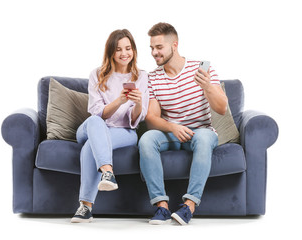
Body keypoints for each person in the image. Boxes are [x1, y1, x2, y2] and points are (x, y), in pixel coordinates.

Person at [138, 22, 228, 225]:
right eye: (152, 48)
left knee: (204, 138)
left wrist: (208, 87)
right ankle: (161, 207)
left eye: (159, 47)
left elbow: (221, 108)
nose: (154, 52)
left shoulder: (201, 69)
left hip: (201, 131)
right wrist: (173, 127)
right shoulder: (153, 78)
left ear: (174, 45)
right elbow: (152, 118)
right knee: (146, 139)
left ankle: (189, 205)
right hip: (172, 133)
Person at [71, 29, 149, 223]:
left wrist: (138, 103)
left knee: (91, 146)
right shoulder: (97, 74)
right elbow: (96, 113)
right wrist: (119, 101)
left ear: (134, 50)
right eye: (118, 49)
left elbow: (136, 119)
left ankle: (85, 207)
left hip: (124, 132)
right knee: (96, 122)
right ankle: (108, 171)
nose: (124, 53)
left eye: (128, 48)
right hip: (93, 127)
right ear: (111, 52)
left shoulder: (141, 76)